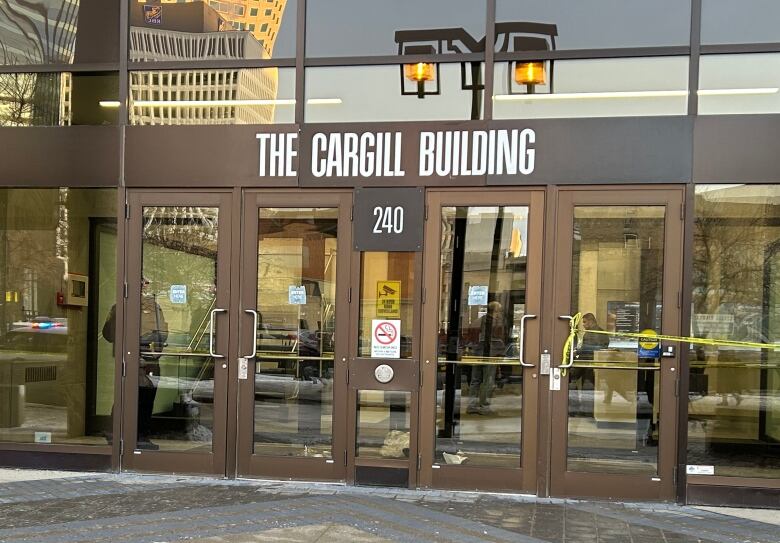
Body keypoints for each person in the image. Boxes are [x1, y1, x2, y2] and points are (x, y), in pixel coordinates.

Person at [103, 276, 168, 450]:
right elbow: (108, 334)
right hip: (136, 359)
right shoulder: (122, 307)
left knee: (141, 397)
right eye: (142, 285)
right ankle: (123, 434)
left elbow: (163, 332)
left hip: (147, 358)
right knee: (133, 397)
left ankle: (135, 436)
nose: (143, 288)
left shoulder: (152, 307)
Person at [467, 301, 507, 415]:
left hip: (477, 354)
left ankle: (472, 406)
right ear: (495, 311)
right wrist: (501, 354)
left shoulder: (477, 322)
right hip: (490, 355)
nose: (500, 314)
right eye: (499, 311)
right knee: (488, 381)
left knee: (475, 380)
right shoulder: (497, 324)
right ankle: (484, 406)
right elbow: (499, 341)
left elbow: (471, 339)